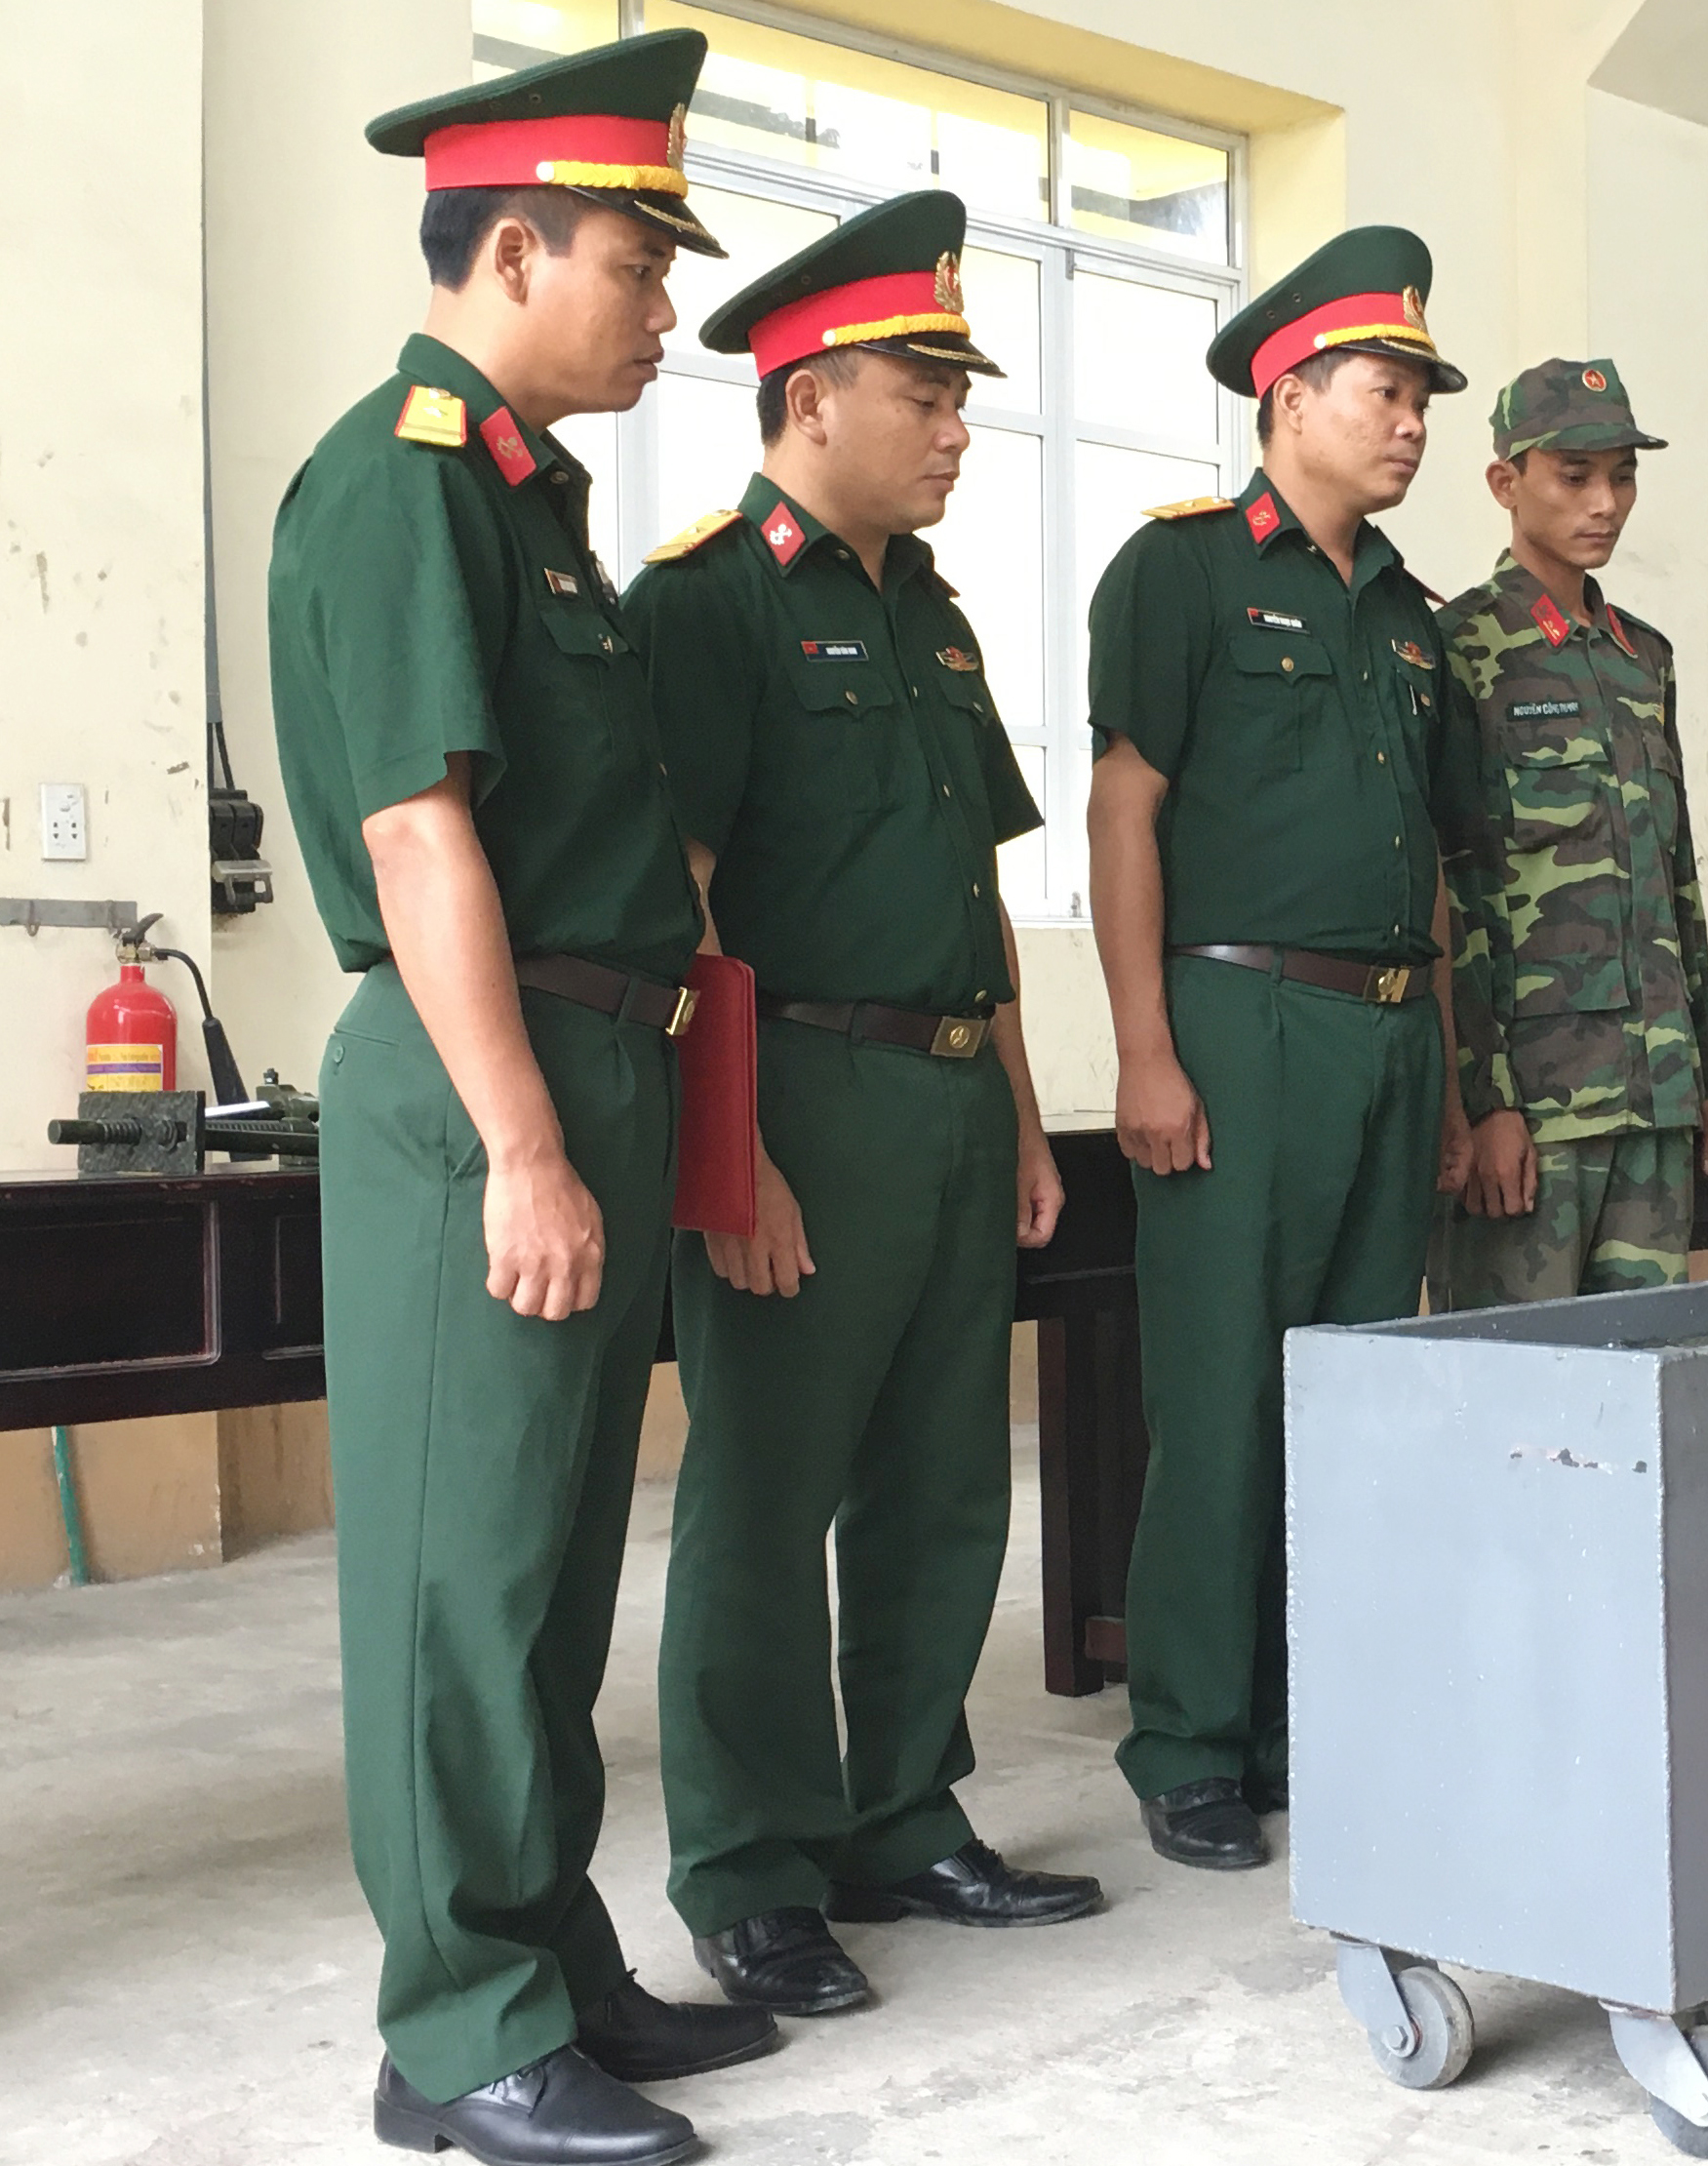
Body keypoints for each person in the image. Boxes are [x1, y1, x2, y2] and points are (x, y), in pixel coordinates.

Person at [269, 31, 774, 2165]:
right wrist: (526, 1144)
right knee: (458, 1579)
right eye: (639, 261)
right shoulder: (396, 481)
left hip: (590, 1047)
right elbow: (415, 842)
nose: (667, 306)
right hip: (486, 1077)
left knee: (560, 1570)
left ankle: (547, 1955)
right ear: (512, 249)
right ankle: (454, 2032)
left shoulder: (528, 502)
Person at [621, 190, 1100, 2025]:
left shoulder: (937, 621)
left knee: (939, 1488)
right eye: (928, 392)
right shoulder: (709, 605)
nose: (961, 428)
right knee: (764, 1501)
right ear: (811, 395)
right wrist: (724, 1147)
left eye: (962, 396)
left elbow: (973, 886)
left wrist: (1021, 1113)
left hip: (947, 1093)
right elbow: (683, 890)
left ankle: (900, 1815)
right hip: (797, 1094)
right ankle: (749, 1868)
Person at [1084, 225, 1482, 1870]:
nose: (1410, 425)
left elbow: (1441, 876)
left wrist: (1451, 1088)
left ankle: (1299, 1712)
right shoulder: (1177, 571)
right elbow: (1127, 809)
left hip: (1387, 1040)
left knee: (1349, 1401)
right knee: (1222, 1396)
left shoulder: (1411, 616)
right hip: (1238, 1026)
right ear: (1288, 392)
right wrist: (1144, 1050)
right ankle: (1186, 1736)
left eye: (1419, 402)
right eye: (1385, 393)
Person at [1433, 357, 1708, 1307]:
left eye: (1623, 475)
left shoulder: (1644, 659)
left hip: (1655, 1103)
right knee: (1514, 1405)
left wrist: (1707, 1074)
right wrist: (1482, 1105)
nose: (1605, 502)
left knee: (1644, 1388)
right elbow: (1451, 890)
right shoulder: (1458, 650)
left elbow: (1676, 873)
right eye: (1575, 476)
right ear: (1504, 481)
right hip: (1534, 1115)